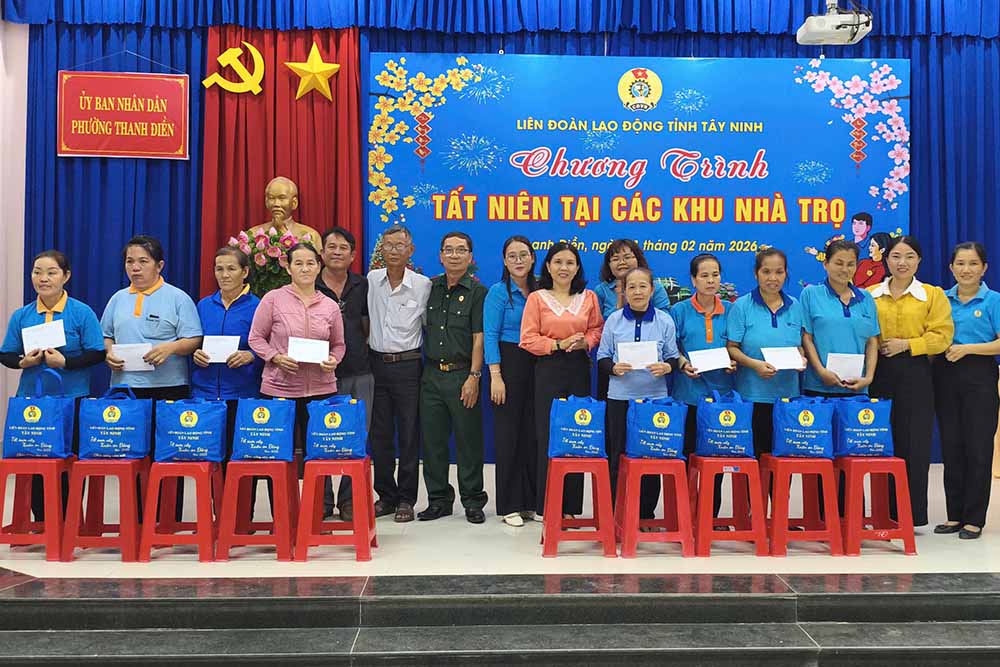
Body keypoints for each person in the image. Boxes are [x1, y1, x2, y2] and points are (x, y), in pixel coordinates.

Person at [101, 235, 203, 517]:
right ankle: (135, 517)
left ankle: (167, 518)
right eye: (130, 261)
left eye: (143, 261)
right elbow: (106, 335)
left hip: (168, 389)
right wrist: (108, 353)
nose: (135, 268)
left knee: (170, 457)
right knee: (131, 456)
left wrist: (170, 348)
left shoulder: (177, 298)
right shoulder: (117, 299)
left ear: (160, 265)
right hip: (126, 389)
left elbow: (194, 338)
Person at [0, 250, 105, 519]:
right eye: (37, 272)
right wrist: (23, 362)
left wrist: (66, 363)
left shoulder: (81, 312)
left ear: (66, 276)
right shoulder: (22, 315)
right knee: (35, 460)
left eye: (51, 272)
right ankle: (43, 521)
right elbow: (7, 354)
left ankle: (68, 521)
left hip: (72, 398)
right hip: (32, 401)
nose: (43, 278)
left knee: (67, 461)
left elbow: (97, 352)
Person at [868, 236, 953, 528]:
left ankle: (911, 515)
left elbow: (942, 337)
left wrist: (907, 344)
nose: (901, 263)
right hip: (877, 373)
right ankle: (882, 513)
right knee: (878, 442)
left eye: (909, 256)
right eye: (895, 256)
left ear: (919, 260)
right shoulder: (869, 294)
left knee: (914, 444)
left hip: (916, 373)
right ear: (886, 259)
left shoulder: (932, 295)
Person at [520, 242, 604, 518]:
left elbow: (597, 329)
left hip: (579, 368)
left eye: (569, 262)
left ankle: (570, 507)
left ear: (578, 267)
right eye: (558, 262)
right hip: (547, 369)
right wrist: (558, 344)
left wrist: (585, 342)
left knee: (576, 435)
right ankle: (547, 505)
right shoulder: (537, 298)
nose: (563, 268)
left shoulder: (589, 297)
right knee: (548, 435)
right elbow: (528, 338)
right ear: (547, 266)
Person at [248, 242, 346, 466]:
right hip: (280, 388)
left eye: (310, 263)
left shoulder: (330, 306)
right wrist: (275, 357)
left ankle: (319, 502)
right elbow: (255, 338)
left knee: (321, 456)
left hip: (321, 389)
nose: (305, 269)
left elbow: (339, 345)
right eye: (298, 263)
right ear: (288, 267)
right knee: (279, 457)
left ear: (319, 267)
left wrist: (334, 360)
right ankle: (282, 502)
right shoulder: (272, 299)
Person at [597, 267, 679, 522]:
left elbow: (673, 357)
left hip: (654, 399)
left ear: (652, 290)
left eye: (643, 286)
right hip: (620, 397)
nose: (637, 291)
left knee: (652, 457)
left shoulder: (665, 320)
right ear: (624, 291)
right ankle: (615, 513)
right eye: (631, 286)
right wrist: (613, 367)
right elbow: (602, 357)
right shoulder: (614, 320)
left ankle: (646, 515)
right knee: (617, 456)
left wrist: (666, 367)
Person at [418, 232, 489, 524]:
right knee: (433, 442)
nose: (455, 255)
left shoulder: (477, 292)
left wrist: (474, 376)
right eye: (449, 249)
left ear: (470, 256)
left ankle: (472, 500)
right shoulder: (429, 288)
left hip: (462, 374)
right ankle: (438, 500)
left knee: (468, 441)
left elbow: (478, 337)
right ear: (440, 255)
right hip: (432, 374)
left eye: (461, 250)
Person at [932, 242, 998, 540]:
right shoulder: (941, 299)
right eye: (960, 263)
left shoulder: (993, 300)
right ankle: (954, 514)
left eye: (973, 264)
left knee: (978, 448)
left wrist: (968, 349)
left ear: (984, 268)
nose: (966, 269)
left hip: (980, 377)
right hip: (945, 376)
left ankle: (974, 518)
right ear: (951, 267)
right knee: (952, 447)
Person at [367, 225, 432, 523]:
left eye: (399, 245)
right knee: (379, 435)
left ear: (411, 250)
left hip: (408, 366)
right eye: (388, 245)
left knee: (408, 433)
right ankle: (386, 496)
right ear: (381, 249)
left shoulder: (423, 285)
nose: (393, 250)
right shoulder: (371, 281)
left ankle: (407, 498)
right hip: (376, 365)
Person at [670, 254, 736, 516]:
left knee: (716, 462)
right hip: (688, 395)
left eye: (715, 275)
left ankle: (712, 516)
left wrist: (734, 361)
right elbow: (670, 347)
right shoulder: (680, 311)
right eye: (704, 275)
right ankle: (681, 516)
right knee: (685, 458)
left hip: (720, 399)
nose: (711, 281)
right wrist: (682, 362)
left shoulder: (731, 310)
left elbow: (737, 346)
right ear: (693, 279)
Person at [316, 227, 373, 522]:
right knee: (321, 437)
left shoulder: (362, 285)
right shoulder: (309, 283)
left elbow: (367, 325)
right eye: (331, 247)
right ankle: (322, 500)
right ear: (322, 253)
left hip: (359, 372)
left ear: (352, 255)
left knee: (356, 436)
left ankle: (349, 500)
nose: (337, 252)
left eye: (343, 248)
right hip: (317, 376)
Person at [727, 248, 806, 459]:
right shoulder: (742, 306)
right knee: (754, 460)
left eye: (779, 272)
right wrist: (755, 365)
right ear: (756, 273)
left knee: (783, 463)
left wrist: (801, 358)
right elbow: (732, 348)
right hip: (753, 396)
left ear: (786, 273)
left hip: (787, 397)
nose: (773, 278)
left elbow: (799, 345)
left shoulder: (795, 306)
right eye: (766, 272)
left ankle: (781, 495)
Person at [191, 247, 261, 483]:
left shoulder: (258, 306)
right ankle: (217, 514)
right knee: (211, 462)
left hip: (243, 394)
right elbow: (193, 342)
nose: (225, 274)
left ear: (245, 272)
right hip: (206, 394)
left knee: (242, 459)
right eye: (219, 269)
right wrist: (196, 354)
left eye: (231, 269)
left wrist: (251, 355)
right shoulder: (203, 306)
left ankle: (242, 516)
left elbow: (270, 345)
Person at [485, 236, 539, 527]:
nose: (518, 260)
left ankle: (532, 502)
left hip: (539, 364)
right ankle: (510, 505)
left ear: (532, 258)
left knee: (534, 433)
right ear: (505, 261)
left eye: (523, 254)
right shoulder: (498, 292)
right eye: (512, 256)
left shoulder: (542, 289)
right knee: (509, 435)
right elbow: (490, 335)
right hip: (507, 363)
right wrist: (496, 376)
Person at [800, 239, 880, 398]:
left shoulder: (866, 297)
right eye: (839, 263)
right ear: (826, 264)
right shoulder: (810, 294)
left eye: (851, 264)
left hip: (857, 388)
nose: (845, 269)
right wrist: (822, 372)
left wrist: (868, 378)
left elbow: (872, 341)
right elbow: (806, 338)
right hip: (819, 387)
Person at [593, 239, 670, 400]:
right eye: (615, 259)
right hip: (613, 368)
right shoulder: (601, 290)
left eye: (627, 257)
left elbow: (665, 325)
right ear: (608, 265)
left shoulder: (655, 287)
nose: (622, 262)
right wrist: (620, 300)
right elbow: (597, 326)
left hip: (650, 374)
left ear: (638, 259)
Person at [246, 176, 321, 247]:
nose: (276, 204)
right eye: (271, 198)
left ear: (294, 203)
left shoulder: (310, 235)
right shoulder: (253, 234)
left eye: (282, 198)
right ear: (266, 202)